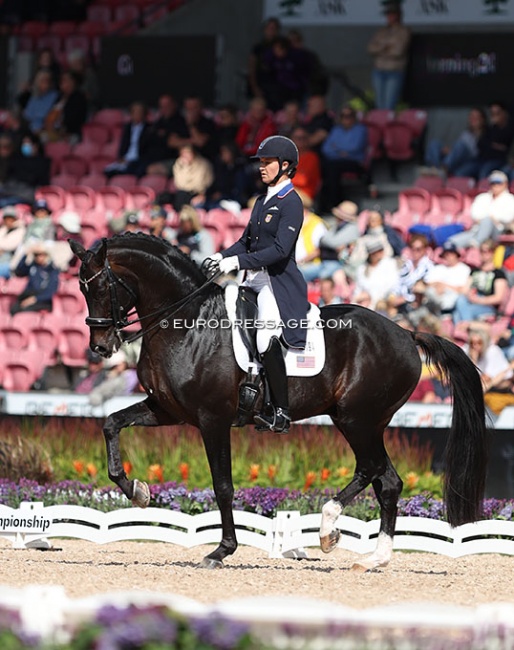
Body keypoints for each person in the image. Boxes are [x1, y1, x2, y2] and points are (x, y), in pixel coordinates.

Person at [207, 135, 309, 433]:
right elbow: (245, 242)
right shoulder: (262, 200)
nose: (261, 168)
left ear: (285, 166)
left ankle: (281, 411)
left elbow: (279, 251)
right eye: (261, 163)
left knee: (265, 339)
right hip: (250, 280)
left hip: (275, 283)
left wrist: (235, 263)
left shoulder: (291, 203)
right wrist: (221, 256)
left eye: (267, 163)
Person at [319, 105, 369, 212]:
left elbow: (355, 147)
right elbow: (326, 149)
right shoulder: (336, 130)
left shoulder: (361, 129)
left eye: (349, 115)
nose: (346, 118)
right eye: (343, 116)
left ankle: (334, 203)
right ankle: (326, 203)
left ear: (354, 117)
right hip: (335, 162)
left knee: (332, 168)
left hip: (355, 163)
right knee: (325, 167)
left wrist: (336, 148)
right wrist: (341, 152)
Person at [448, 170, 514, 249]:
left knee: (487, 220)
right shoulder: (482, 197)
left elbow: (507, 218)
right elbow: (474, 214)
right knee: (451, 243)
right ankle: (474, 242)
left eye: (498, 183)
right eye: (493, 183)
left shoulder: (510, 199)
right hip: (477, 230)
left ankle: (477, 243)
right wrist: (491, 218)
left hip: (498, 231)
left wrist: (488, 218)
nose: (495, 186)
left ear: (505, 184)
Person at [367, 1, 411, 111]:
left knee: (388, 105)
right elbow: (370, 48)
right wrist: (386, 47)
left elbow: (398, 51)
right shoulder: (382, 31)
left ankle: (388, 127)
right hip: (378, 70)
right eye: (388, 15)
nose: (389, 17)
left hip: (394, 71)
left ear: (397, 15)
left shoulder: (403, 31)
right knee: (379, 105)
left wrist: (380, 48)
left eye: (391, 14)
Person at [452, 239, 509, 323]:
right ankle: (464, 327)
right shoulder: (475, 271)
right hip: (472, 301)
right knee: (460, 300)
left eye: (487, 251)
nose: (484, 254)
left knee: (458, 313)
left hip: (487, 306)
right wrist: (470, 295)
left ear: (493, 252)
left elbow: (498, 297)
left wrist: (479, 300)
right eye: (482, 251)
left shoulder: (498, 273)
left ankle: (464, 326)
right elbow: (465, 290)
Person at [424, 107, 487, 177]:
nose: (473, 119)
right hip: (455, 157)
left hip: (470, 160)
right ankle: (435, 168)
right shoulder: (466, 133)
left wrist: (455, 151)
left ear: (482, 119)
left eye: (476, 117)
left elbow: (474, 152)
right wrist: (450, 150)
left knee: (461, 146)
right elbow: (457, 148)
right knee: (434, 144)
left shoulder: (486, 134)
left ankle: (444, 168)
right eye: (471, 116)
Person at [10, 241, 60, 315]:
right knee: (14, 309)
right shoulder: (33, 266)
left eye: (41, 255)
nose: (38, 257)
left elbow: (51, 291)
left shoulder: (52, 270)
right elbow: (19, 271)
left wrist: (35, 299)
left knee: (24, 312)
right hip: (28, 296)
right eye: (36, 255)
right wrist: (26, 254)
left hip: (42, 300)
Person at [423, 241, 471, 316]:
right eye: (446, 254)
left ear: (456, 254)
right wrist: (438, 285)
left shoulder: (464, 269)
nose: (448, 256)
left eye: (451, 253)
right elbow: (427, 284)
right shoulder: (438, 268)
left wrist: (444, 286)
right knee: (428, 292)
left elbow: (462, 290)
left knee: (454, 297)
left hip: (451, 298)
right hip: (435, 295)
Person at [0, 206, 25, 278]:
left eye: (10, 218)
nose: (8, 221)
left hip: (11, 262)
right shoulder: (3, 229)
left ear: (15, 219)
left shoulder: (21, 230)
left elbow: (11, 245)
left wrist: (2, 248)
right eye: (6, 219)